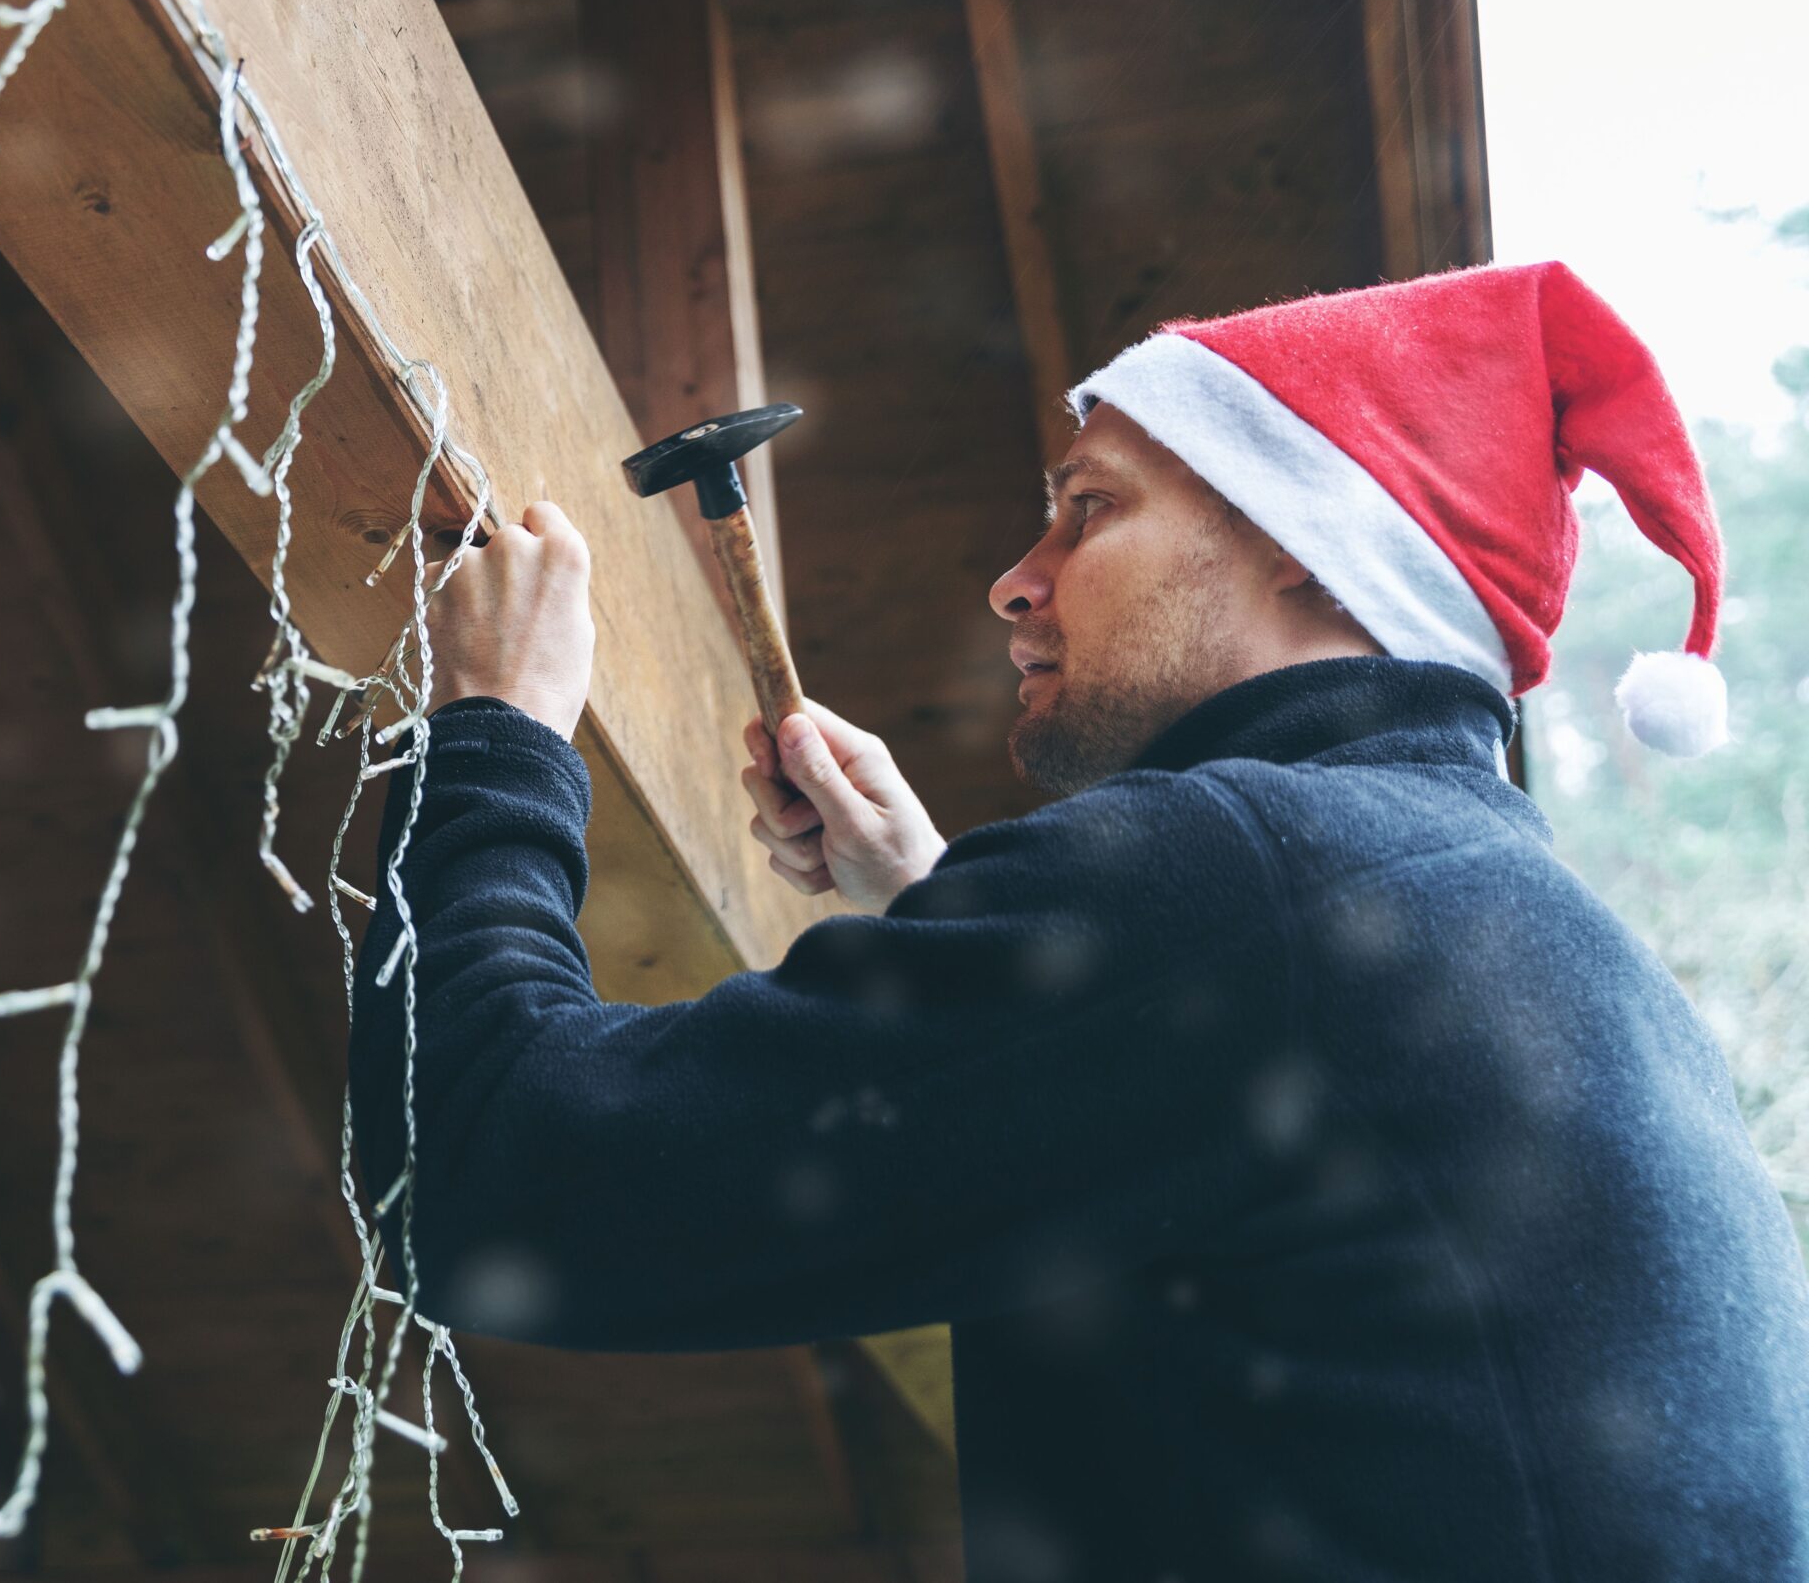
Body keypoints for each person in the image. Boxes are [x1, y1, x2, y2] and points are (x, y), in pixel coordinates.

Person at [345, 261, 1809, 1581]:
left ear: (1307, 540)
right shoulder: (1520, 928)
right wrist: (939, 915)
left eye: (1088, 506)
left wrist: (498, 730)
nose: (1015, 578)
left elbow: (485, 1173)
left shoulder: (1232, 884)